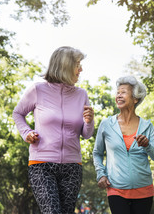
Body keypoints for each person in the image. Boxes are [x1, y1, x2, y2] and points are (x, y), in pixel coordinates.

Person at [12, 46, 95, 214]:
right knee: (52, 211)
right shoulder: (38, 90)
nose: (81, 69)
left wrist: (89, 121)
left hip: (72, 167)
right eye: (77, 64)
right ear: (65, 65)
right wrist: (26, 133)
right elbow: (18, 113)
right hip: (42, 164)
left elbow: (86, 134)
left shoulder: (81, 94)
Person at [93, 75, 154, 214]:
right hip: (116, 189)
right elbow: (97, 153)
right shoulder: (107, 125)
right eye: (117, 92)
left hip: (144, 190)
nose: (119, 95)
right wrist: (101, 174)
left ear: (135, 98)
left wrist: (147, 145)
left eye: (123, 92)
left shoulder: (147, 126)